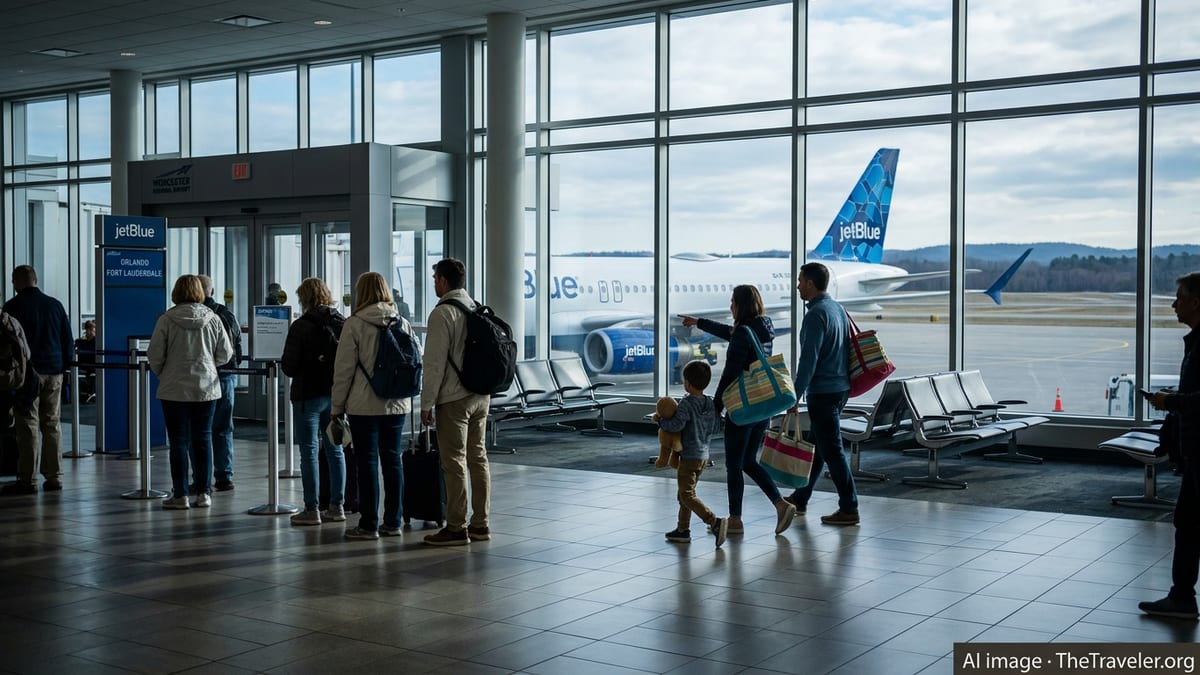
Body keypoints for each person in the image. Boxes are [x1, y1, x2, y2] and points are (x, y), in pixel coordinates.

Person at [681, 285, 796, 536]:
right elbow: (731, 332)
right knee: (747, 461)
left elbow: (730, 373)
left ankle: (735, 520)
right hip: (761, 406)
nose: (730, 306)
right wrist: (700, 322)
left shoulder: (744, 332)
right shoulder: (762, 326)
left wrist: (716, 407)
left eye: (733, 301)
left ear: (740, 305)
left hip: (743, 409)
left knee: (735, 464)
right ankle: (780, 504)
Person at [331, 271, 413, 540]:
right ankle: (394, 521)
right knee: (393, 461)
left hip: (363, 406)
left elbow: (343, 371)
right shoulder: (401, 321)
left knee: (366, 462)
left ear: (361, 292)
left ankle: (368, 524)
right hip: (397, 404)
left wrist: (337, 408)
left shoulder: (354, 324)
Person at [1140, 271, 1200, 620]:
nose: (1173, 304)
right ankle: (1181, 597)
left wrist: (1172, 403)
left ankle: (1182, 597)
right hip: (1193, 450)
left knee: (1190, 524)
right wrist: (1173, 398)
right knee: (1187, 523)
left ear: (1196, 302)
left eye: (1179, 297)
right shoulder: (1196, 342)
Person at [420, 258, 492, 546]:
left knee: (454, 462)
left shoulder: (442, 314)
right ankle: (481, 523)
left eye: (435, 277)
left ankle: (455, 527)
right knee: (478, 458)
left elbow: (434, 364)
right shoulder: (475, 307)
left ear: (443, 281)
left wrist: (427, 403)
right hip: (480, 396)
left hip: (454, 398)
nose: (434, 282)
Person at [782, 262, 860, 526]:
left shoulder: (816, 315)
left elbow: (808, 361)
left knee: (833, 450)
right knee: (816, 447)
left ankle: (849, 507)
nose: (797, 286)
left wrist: (795, 396)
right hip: (839, 388)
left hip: (823, 392)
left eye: (800, 281)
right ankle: (801, 498)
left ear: (811, 284)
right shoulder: (837, 308)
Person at [148, 274, 233, 510]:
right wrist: (209, 367)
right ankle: (204, 493)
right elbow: (225, 353)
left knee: (178, 442)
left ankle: (180, 494)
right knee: (203, 439)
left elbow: (154, 354)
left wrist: (165, 373)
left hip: (173, 389)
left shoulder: (166, 319)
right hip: (206, 388)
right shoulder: (213, 318)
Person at [0, 265, 73, 495]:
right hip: (55, 372)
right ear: (36, 279)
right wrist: (64, 366)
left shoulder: (12, 307)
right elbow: (67, 340)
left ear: (16, 282)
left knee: (27, 424)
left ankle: (27, 479)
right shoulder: (55, 305)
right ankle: (55, 476)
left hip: (27, 374)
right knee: (52, 423)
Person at [281, 278, 347, 526]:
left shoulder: (300, 326)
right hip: (336, 396)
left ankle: (312, 509)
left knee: (308, 452)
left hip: (307, 396)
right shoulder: (341, 322)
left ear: (304, 298)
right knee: (336, 450)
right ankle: (337, 506)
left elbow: (289, 366)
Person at [657, 360, 728, 548]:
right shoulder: (709, 402)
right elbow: (715, 427)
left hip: (689, 457)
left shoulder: (686, 404)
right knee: (685, 494)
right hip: (704, 455)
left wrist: (661, 423)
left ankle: (714, 522)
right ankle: (682, 530)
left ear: (687, 383)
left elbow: (677, 425)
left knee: (686, 495)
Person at [199, 275, 242, 491]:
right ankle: (224, 475)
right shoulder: (226, 314)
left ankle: (201, 479)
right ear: (212, 291)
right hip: (225, 376)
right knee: (224, 427)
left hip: (201, 378)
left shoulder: (187, 315)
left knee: (199, 429)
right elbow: (236, 348)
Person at [74, 319, 97, 403]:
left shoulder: (97, 342)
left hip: (91, 366)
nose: (89, 332)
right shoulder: (80, 342)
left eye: (91, 330)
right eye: (88, 329)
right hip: (85, 365)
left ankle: (91, 394)